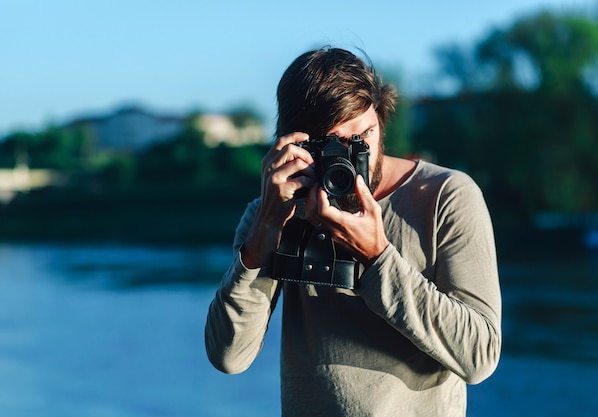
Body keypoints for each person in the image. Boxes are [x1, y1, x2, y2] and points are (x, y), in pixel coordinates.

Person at [205, 47, 501, 417]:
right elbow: (229, 357)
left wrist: (378, 258)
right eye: (334, 144)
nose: (353, 156)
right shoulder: (273, 212)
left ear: (381, 117)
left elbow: (480, 357)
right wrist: (264, 233)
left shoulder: (445, 197)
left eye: (364, 135)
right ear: (297, 144)